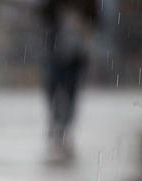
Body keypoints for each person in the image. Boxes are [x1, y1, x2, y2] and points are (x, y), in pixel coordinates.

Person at [39, 0, 99, 160]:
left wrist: (82, 25)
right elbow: (44, 16)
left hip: (76, 54)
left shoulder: (89, 4)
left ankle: (65, 128)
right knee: (53, 87)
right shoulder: (53, 5)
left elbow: (95, 20)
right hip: (55, 50)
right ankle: (57, 121)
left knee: (70, 92)